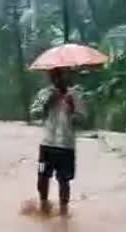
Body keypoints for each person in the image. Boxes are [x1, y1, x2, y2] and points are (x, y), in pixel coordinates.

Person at [29, 70, 86, 216]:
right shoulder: (45, 94)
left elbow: (82, 121)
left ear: (67, 76)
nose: (58, 79)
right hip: (46, 145)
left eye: (61, 75)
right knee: (42, 175)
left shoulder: (75, 95)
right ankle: (43, 206)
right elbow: (33, 113)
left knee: (64, 180)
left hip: (66, 146)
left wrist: (73, 108)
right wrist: (47, 104)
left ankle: (63, 212)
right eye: (54, 76)